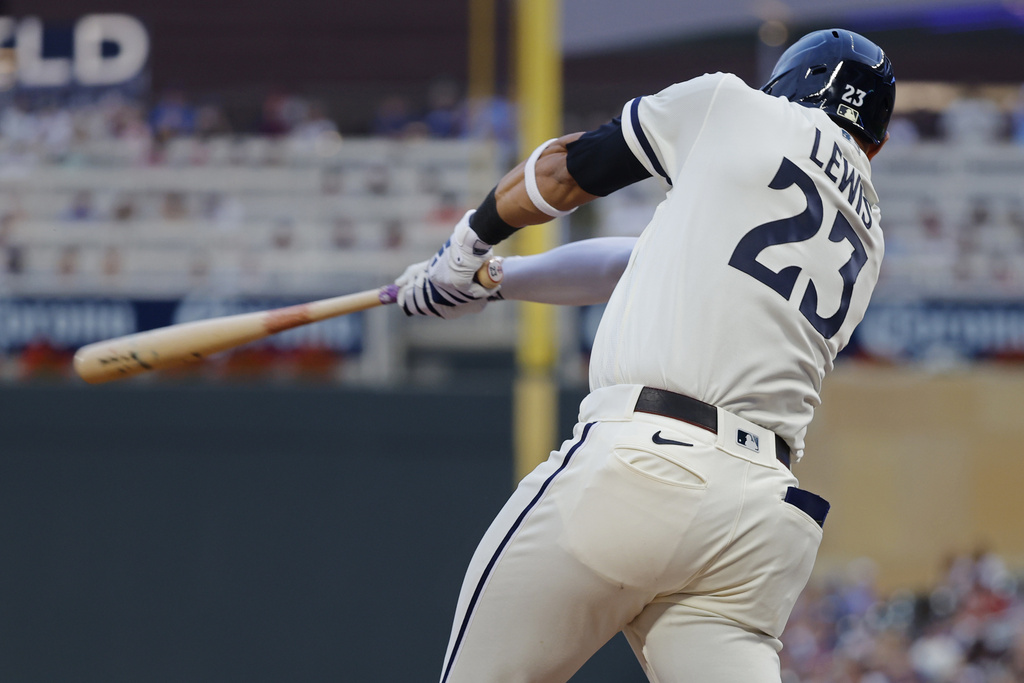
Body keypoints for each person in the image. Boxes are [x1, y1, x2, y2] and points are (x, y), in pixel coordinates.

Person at [396, 28, 896, 683]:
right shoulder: (869, 234)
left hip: (641, 469)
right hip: (756, 526)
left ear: (790, 85)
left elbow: (564, 172)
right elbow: (639, 262)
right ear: (876, 142)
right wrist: (495, 281)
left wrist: (463, 250)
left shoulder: (733, 106)